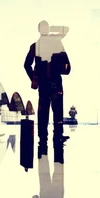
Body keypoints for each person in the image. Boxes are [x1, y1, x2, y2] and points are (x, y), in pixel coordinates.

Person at [24, 21, 71, 157]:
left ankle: (43, 138)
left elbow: (26, 65)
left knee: (43, 112)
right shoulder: (56, 43)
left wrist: (34, 78)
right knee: (57, 111)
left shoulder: (36, 46)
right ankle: (58, 136)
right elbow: (67, 64)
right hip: (55, 82)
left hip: (44, 84)